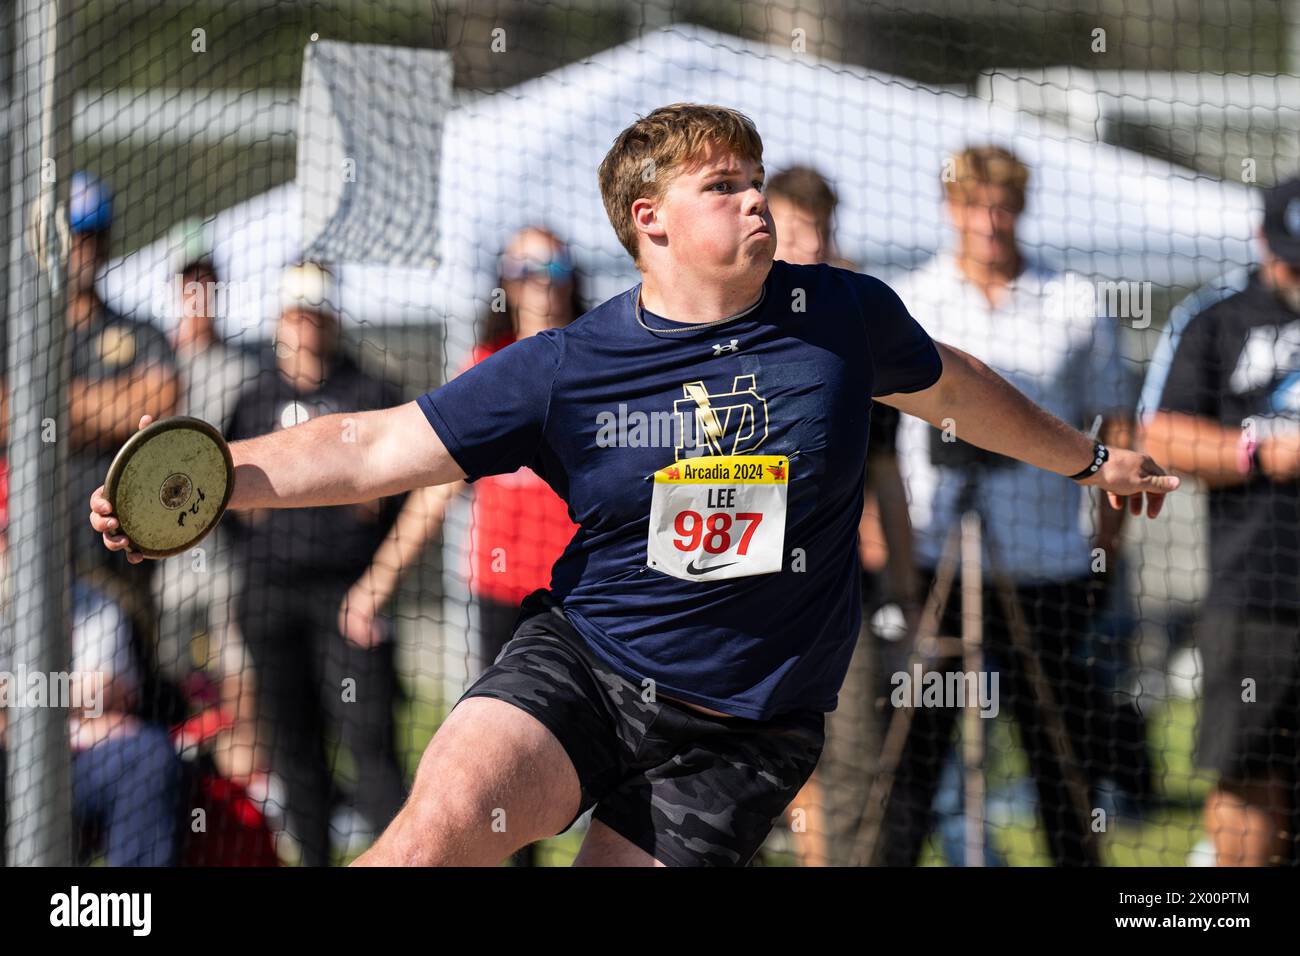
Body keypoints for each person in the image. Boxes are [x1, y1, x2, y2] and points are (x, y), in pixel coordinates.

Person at [92, 103, 1178, 867]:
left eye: (756, 180)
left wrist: (1088, 458)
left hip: (749, 723)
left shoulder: (839, 315)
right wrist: (208, 480)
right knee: (431, 839)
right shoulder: (568, 363)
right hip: (589, 666)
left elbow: (959, 389)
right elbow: (371, 446)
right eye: (724, 186)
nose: (754, 200)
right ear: (649, 220)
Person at [879, 146, 1135, 866]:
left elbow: (1115, 424)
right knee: (912, 757)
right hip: (935, 558)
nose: (989, 220)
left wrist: (1104, 550)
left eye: (1003, 204)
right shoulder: (913, 298)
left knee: (1064, 759)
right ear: (950, 208)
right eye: (973, 203)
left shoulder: (1075, 300)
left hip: (1045, 562)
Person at [343, 226, 582, 866]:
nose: (541, 282)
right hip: (503, 588)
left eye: (553, 267)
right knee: (503, 754)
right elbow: (435, 488)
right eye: (526, 268)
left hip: (584, 592)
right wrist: (378, 578)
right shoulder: (490, 367)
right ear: (505, 281)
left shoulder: (597, 359)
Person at [220, 263, 410, 865]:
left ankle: (401, 855)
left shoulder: (371, 394)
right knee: (292, 745)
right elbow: (219, 492)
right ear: (280, 320)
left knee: (370, 742)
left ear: (332, 320)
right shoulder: (254, 399)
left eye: (315, 316)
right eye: (295, 315)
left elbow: (408, 501)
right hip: (271, 596)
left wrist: (378, 583)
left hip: (348, 599)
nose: (304, 329)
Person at [1141, 177, 1300, 867]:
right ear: (1264, 240)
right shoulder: (1217, 316)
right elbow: (1161, 435)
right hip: (1255, 589)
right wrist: (1261, 452)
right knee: (1246, 770)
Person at [766, 165, 919, 866]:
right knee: (740, 762)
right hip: (732, 593)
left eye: (823, 228)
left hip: (838, 596)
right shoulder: (718, 325)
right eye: (797, 228)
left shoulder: (858, 337)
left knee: (854, 754)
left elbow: (887, 479)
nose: (815, 244)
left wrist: (907, 598)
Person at [153, 254, 263, 786]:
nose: (199, 299)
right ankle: (188, 774)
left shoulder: (242, 368)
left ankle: (246, 785)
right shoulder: (157, 361)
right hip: (167, 553)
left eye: (208, 288)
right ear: (177, 293)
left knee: (238, 666)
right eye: (190, 288)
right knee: (173, 664)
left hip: (225, 548)